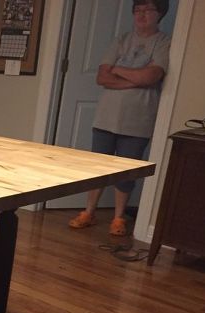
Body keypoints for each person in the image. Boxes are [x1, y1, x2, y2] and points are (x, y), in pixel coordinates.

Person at [69, 0, 171, 236]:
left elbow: (153, 76)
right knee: (98, 168)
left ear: (160, 14)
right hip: (106, 117)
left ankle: (118, 217)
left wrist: (119, 70)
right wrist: (136, 78)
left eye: (148, 10)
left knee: (127, 170)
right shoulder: (121, 40)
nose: (141, 15)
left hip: (139, 120)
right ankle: (88, 212)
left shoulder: (164, 42)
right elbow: (102, 77)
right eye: (137, 10)